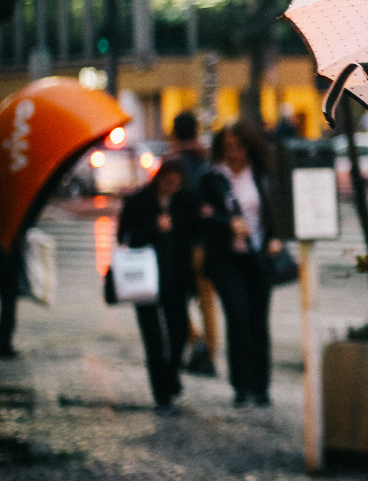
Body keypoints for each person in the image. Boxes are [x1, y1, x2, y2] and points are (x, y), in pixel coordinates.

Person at [199, 122, 283, 407]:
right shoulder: (213, 178)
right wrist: (227, 224)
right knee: (237, 316)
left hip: (258, 256)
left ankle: (261, 386)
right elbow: (203, 218)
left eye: (239, 146)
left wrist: (275, 238)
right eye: (228, 147)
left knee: (258, 320)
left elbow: (275, 211)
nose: (234, 153)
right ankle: (241, 386)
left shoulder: (260, 175)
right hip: (226, 259)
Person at [116, 159, 197, 413]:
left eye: (176, 183)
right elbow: (124, 237)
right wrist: (154, 229)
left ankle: (170, 376)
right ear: (159, 179)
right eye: (167, 181)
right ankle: (162, 394)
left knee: (179, 332)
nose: (172, 187)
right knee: (153, 339)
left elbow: (192, 237)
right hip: (145, 279)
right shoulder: (139, 200)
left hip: (176, 278)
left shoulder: (184, 202)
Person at [169, 111, 218, 377]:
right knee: (206, 300)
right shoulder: (207, 160)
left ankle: (196, 342)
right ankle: (209, 354)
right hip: (207, 240)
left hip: (183, 242)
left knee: (174, 297)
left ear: (175, 133)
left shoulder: (174, 164)